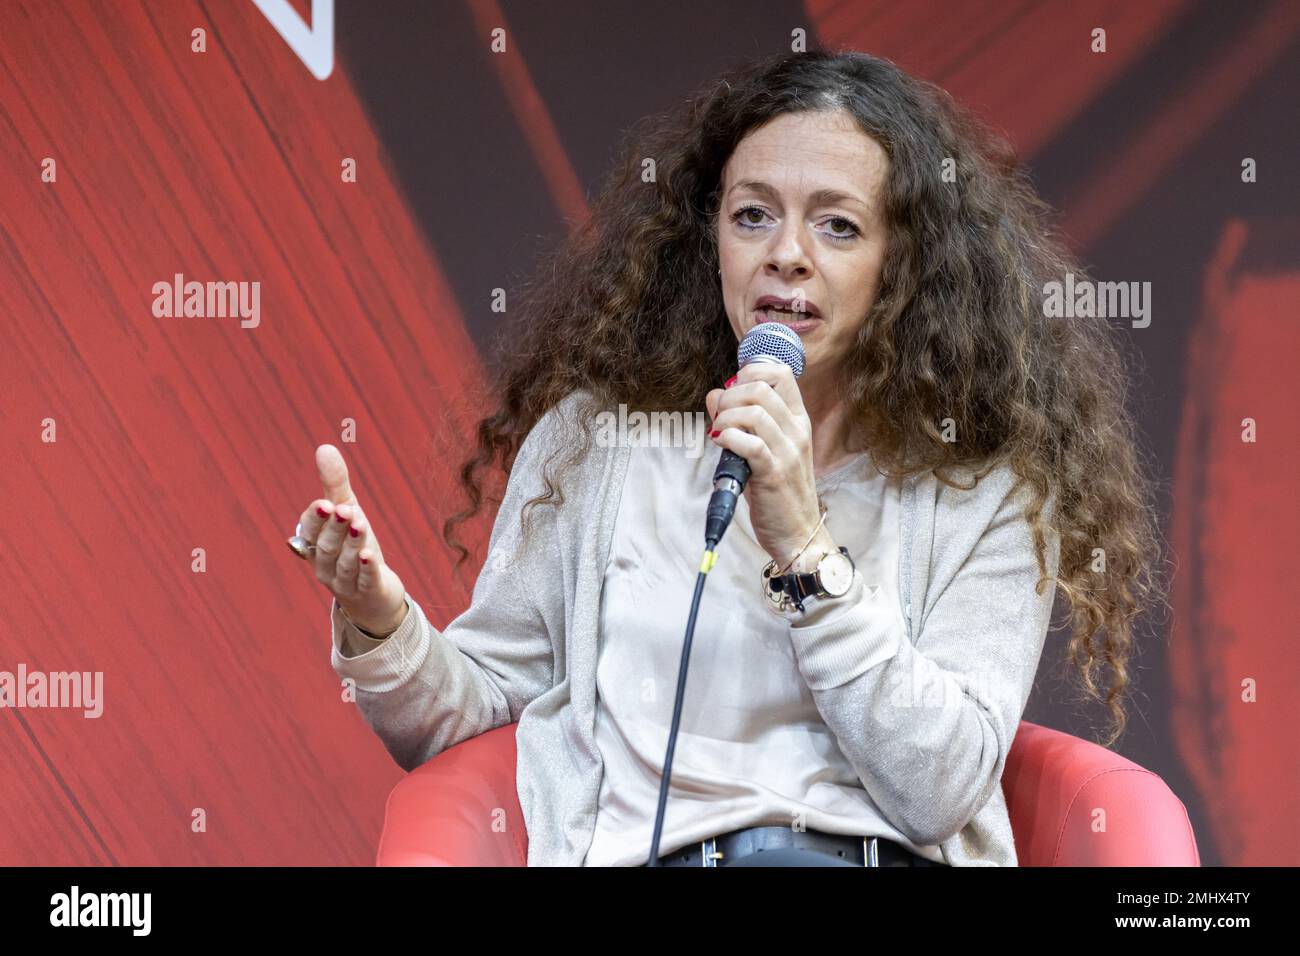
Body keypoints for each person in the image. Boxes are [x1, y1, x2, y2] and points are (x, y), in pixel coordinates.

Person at [289, 50, 1166, 867]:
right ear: (709, 239)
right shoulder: (598, 444)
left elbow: (942, 785)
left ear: (902, 264)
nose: (787, 253)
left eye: (837, 225)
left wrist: (803, 546)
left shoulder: (980, 485)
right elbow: (464, 717)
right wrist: (378, 617)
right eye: (753, 215)